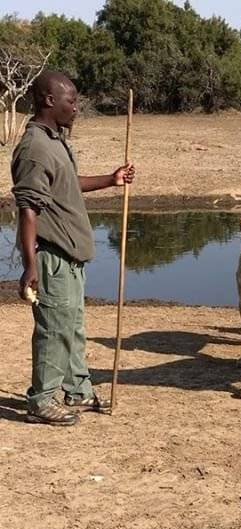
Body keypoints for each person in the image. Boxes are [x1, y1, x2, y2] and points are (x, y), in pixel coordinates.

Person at [11, 70, 135, 426]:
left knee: (73, 326)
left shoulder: (55, 141)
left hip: (72, 258)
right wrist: (30, 266)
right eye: (72, 101)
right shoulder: (35, 148)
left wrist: (111, 180)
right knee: (54, 329)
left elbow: (67, 184)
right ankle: (42, 400)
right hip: (52, 257)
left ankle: (78, 390)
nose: (76, 108)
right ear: (50, 101)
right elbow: (28, 210)